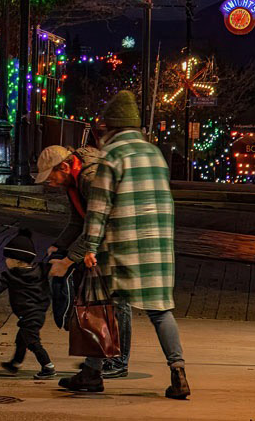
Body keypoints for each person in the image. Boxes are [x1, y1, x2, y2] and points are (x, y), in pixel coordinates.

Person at [50, 90, 191, 400]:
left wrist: (88, 249)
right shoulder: (155, 154)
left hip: (122, 246)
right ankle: (178, 370)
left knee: (101, 308)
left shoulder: (111, 158)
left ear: (111, 128)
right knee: (161, 312)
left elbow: (98, 209)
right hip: (158, 248)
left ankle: (91, 373)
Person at [34, 144, 132, 379]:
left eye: (52, 176)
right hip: (105, 238)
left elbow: (96, 225)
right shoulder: (73, 181)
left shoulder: (90, 177)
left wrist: (67, 261)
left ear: (65, 167)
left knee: (118, 300)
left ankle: (118, 361)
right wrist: (59, 245)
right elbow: (79, 219)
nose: (51, 183)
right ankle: (98, 361)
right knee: (102, 299)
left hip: (120, 236)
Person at [0, 228, 56, 380]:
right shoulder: (41, 270)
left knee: (32, 341)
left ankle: (48, 366)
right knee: (21, 338)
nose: (5, 261)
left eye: (7, 258)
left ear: (17, 260)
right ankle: (15, 363)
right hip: (39, 312)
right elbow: (55, 268)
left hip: (28, 314)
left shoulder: (11, 275)